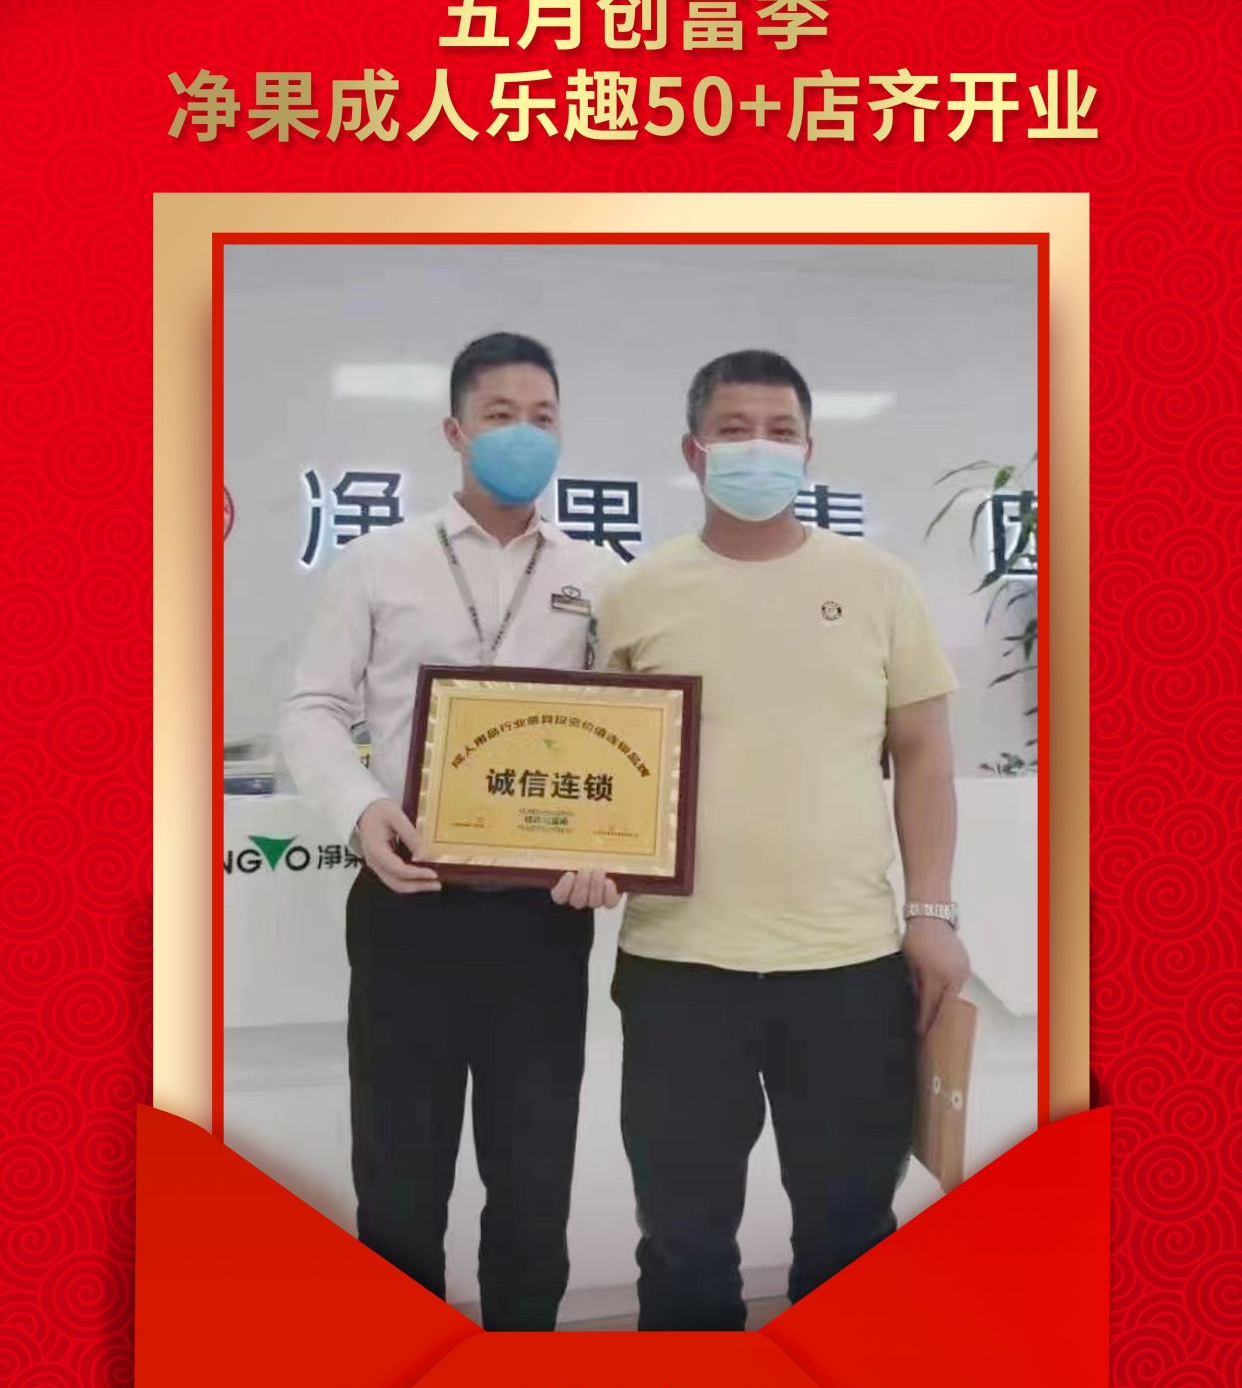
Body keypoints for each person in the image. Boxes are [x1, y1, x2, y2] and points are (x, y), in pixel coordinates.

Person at [595, 348, 970, 1331]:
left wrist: (932, 912)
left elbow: (924, 752)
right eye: (733, 430)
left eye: (779, 431)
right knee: (682, 1240)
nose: (757, 448)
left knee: (852, 1234)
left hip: (847, 965)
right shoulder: (636, 591)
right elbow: (605, 762)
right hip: (680, 967)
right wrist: (587, 853)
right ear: (693, 450)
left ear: (809, 449)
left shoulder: (877, 583)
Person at [280, 332, 617, 1330]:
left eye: (543, 417)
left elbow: (627, 734)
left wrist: (610, 850)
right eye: (500, 415)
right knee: (399, 1169)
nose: (523, 434)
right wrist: (360, 808)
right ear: (455, 431)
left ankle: (520, 1379)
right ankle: (403, 1378)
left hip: (541, 918)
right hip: (408, 902)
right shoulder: (379, 561)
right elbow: (313, 707)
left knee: (533, 1172)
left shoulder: (601, 574)